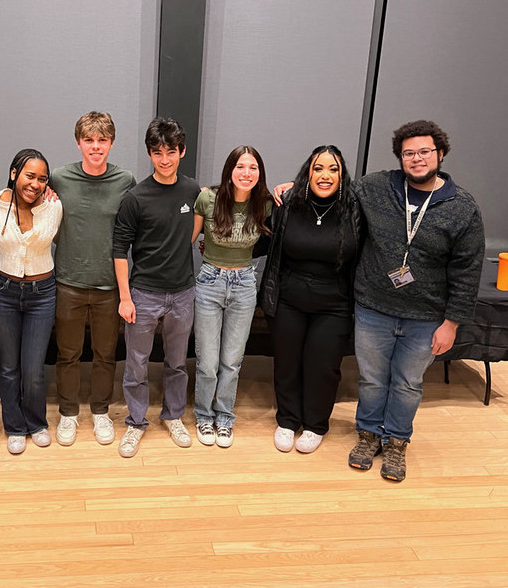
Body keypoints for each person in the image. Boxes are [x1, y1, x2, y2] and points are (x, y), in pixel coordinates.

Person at [347, 120, 484, 481]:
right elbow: (330, 190)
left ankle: (396, 442)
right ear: (400, 158)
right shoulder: (376, 187)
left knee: (408, 383)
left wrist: (452, 323)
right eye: (409, 153)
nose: (417, 159)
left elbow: (467, 271)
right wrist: (289, 185)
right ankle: (368, 434)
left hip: (426, 317)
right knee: (373, 379)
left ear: (440, 154)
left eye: (425, 151)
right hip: (373, 307)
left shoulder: (462, 207)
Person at [261, 145, 361, 455]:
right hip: (288, 298)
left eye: (333, 169)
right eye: (318, 168)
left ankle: (316, 424)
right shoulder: (289, 204)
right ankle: (288, 420)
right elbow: (262, 239)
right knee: (287, 362)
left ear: (342, 175)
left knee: (323, 366)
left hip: (335, 303)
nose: (325, 175)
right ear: (308, 172)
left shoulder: (355, 209)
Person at [112, 117, 200, 458]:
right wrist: (124, 297)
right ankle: (135, 422)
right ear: (150, 154)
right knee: (136, 363)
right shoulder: (135, 197)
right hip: (144, 293)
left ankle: (173, 416)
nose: (165, 159)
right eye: (157, 152)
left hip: (183, 292)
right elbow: (119, 248)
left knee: (177, 362)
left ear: (182, 152)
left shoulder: (192, 191)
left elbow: (195, 228)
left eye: (171, 152)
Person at [51, 112, 135, 446]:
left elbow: (137, 221)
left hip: (108, 285)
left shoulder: (125, 180)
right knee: (67, 353)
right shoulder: (59, 177)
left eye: (102, 140)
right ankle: (68, 414)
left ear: (111, 143)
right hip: (68, 280)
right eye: (89, 140)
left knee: (105, 354)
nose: (95, 147)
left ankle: (101, 411)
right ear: (79, 143)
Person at [0, 149, 63, 455]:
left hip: (42, 293)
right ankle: (14, 426)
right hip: (3, 291)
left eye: (42, 178)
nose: (36, 184)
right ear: (15, 173)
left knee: (33, 368)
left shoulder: (53, 207)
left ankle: (37, 422)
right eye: (30, 175)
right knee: (8, 365)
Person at [191, 146, 272, 449]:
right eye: (240, 167)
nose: (246, 173)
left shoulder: (265, 203)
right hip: (210, 281)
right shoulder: (208, 199)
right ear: (229, 170)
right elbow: (189, 237)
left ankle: (224, 417)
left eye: (253, 168)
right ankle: (203, 415)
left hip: (244, 282)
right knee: (208, 361)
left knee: (232, 361)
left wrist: (287, 187)